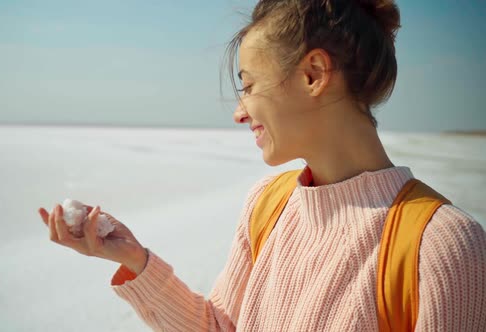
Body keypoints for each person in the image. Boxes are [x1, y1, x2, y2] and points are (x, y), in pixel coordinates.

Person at [38, 0, 486, 330]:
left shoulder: (442, 244)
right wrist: (135, 260)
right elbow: (221, 326)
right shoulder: (268, 203)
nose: (239, 111)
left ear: (313, 75)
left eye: (248, 85)